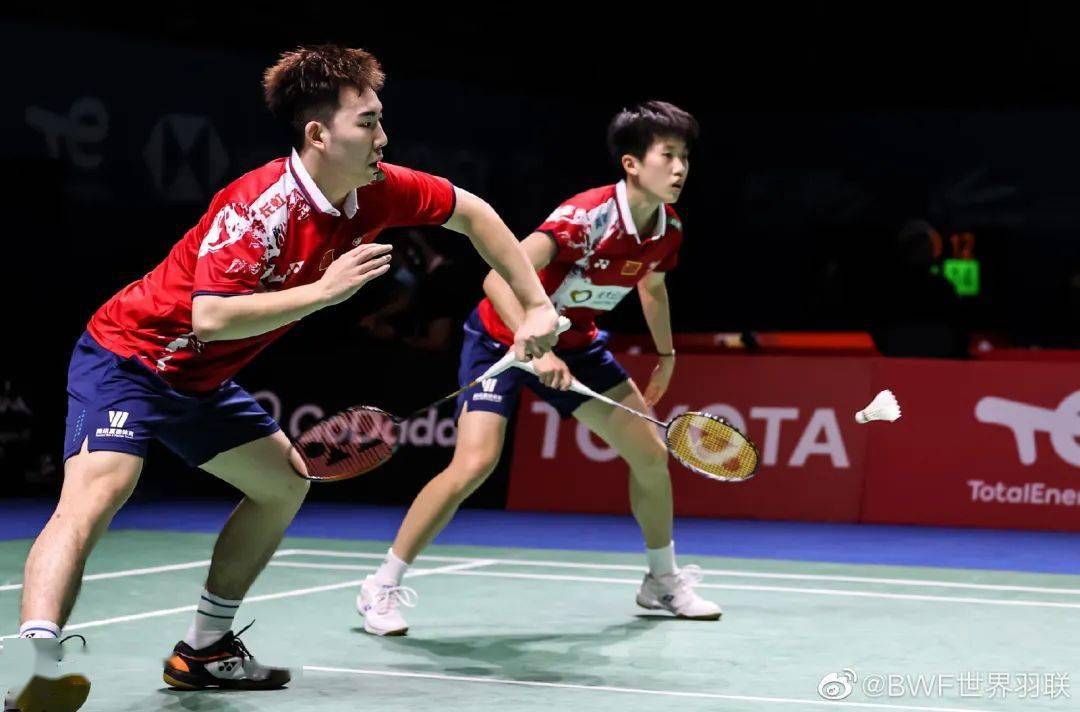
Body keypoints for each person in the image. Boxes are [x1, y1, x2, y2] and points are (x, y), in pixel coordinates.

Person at [9, 44, 558, 708]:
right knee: (100, 493)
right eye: (368, 123)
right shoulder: (261, 207)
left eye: (381, 119)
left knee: (284, 485)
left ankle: (204, 649)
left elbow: (474, 214)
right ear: (318, 134)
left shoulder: (378, 190)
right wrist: (323, 294)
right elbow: (211, 317)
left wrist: (536, 306)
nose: (383, 137)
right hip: (129, 357)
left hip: (200, 382)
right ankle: (38, 668)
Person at [356, 101, 722, 636]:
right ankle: (381, 585)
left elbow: (653, 286)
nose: (680, 168)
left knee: (649, 454)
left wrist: (665, 355)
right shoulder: (585, 218)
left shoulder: (668, 229)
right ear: (631, 164)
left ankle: (662, 582)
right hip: (500, 339)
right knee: (474, 464)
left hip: (575, 345)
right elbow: (496, 280)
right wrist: (535, 348)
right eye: (667, 155)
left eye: (685, 157)